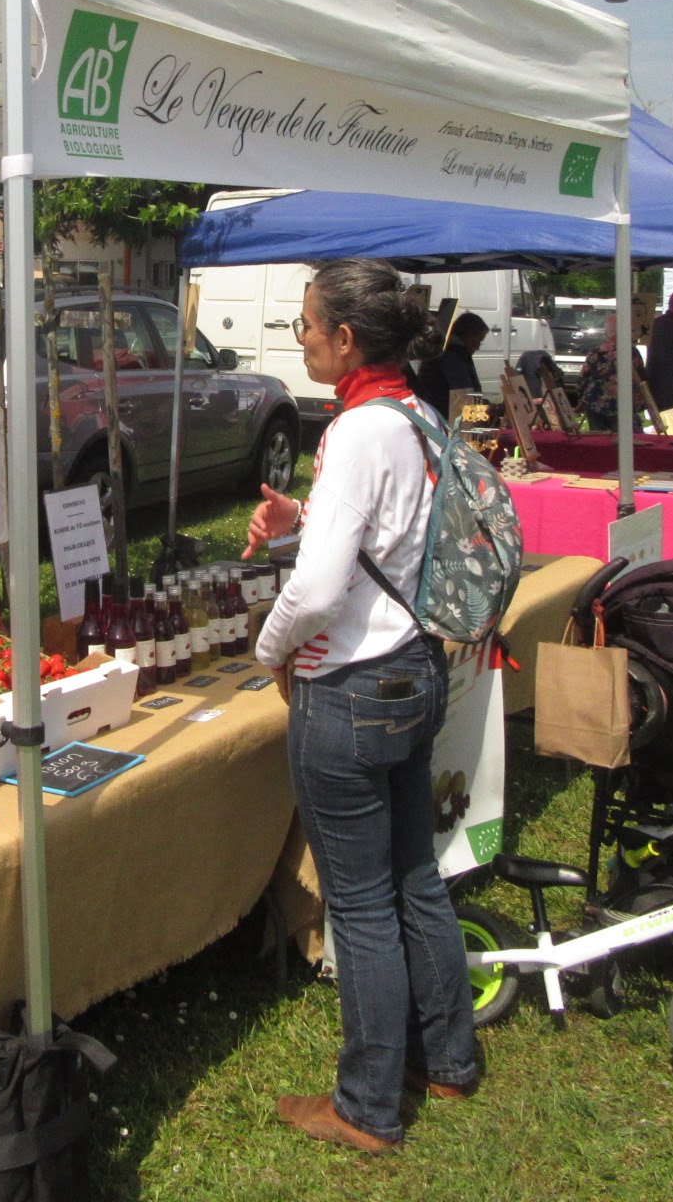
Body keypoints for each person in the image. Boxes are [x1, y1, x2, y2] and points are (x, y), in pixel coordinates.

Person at [242, 258, 479, 1154]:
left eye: (305, 324)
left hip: (350, 689)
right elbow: (391, 538)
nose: (297, 337)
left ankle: (369, 1105)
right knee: (416, 874)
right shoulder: (413, 414)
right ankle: (447, 1060)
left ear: (345, 339)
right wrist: (305, 520)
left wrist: (272, 650)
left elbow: (319, 592)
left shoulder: (352, 431)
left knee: (363, 903)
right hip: (416, 670)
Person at [407, 311, 487, 420]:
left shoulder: (448, 351)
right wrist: (482, 412)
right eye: (478, 340)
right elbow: (463, 394)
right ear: (467, 335)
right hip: (444, 418)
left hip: (436, 414)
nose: (477, 347)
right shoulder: (453, 355)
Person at [577, 315, 642, 433]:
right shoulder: (631, 352)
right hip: (621, 405)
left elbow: (582, 379)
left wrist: (583, 399)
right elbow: (640, 381)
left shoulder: (596, 352)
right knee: (621, 443)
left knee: (600, 444)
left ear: (607, 331)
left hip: (595, 404)